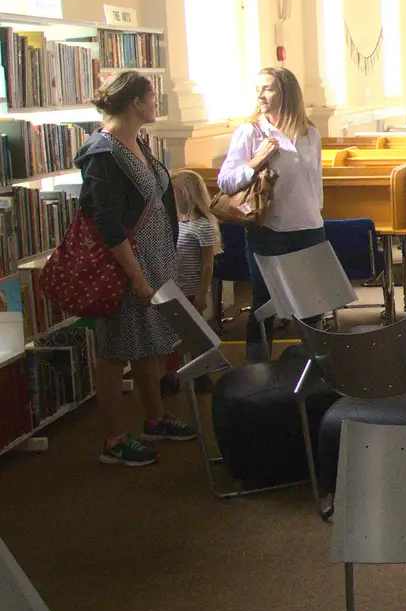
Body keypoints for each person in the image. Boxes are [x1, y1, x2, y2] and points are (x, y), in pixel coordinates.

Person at [76, 71, 195, 466]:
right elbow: (106, 222)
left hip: (153, 259)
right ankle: (114, 439)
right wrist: (136, 275)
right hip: (125, 266)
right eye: (151, 96)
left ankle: (155, 419)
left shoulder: (136, 141)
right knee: (113, 351)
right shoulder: (102, 153)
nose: (155, 102)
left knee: (148, 342)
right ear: (134, 103)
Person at [218, 67, 324, 361]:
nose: (260, 95)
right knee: (264, 304)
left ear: (286, 93)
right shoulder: (250, 132)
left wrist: (315, 214)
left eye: (268, 88)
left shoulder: (309, 133)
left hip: (309, 229)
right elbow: (225, 181)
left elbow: (316, 182)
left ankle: (312, 368)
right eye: (258, 89)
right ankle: (258, 372)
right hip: (270, 232)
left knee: (314, 304)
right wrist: (256, 160)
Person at [160, 169, 221, 393]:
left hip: (192, 289)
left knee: (194, 335)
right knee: (173, 334)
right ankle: (171, 375)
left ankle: (202, 374)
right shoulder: (176, 223)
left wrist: (201, 294)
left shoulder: (202, 225)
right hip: (174, 288)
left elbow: (207, 264)